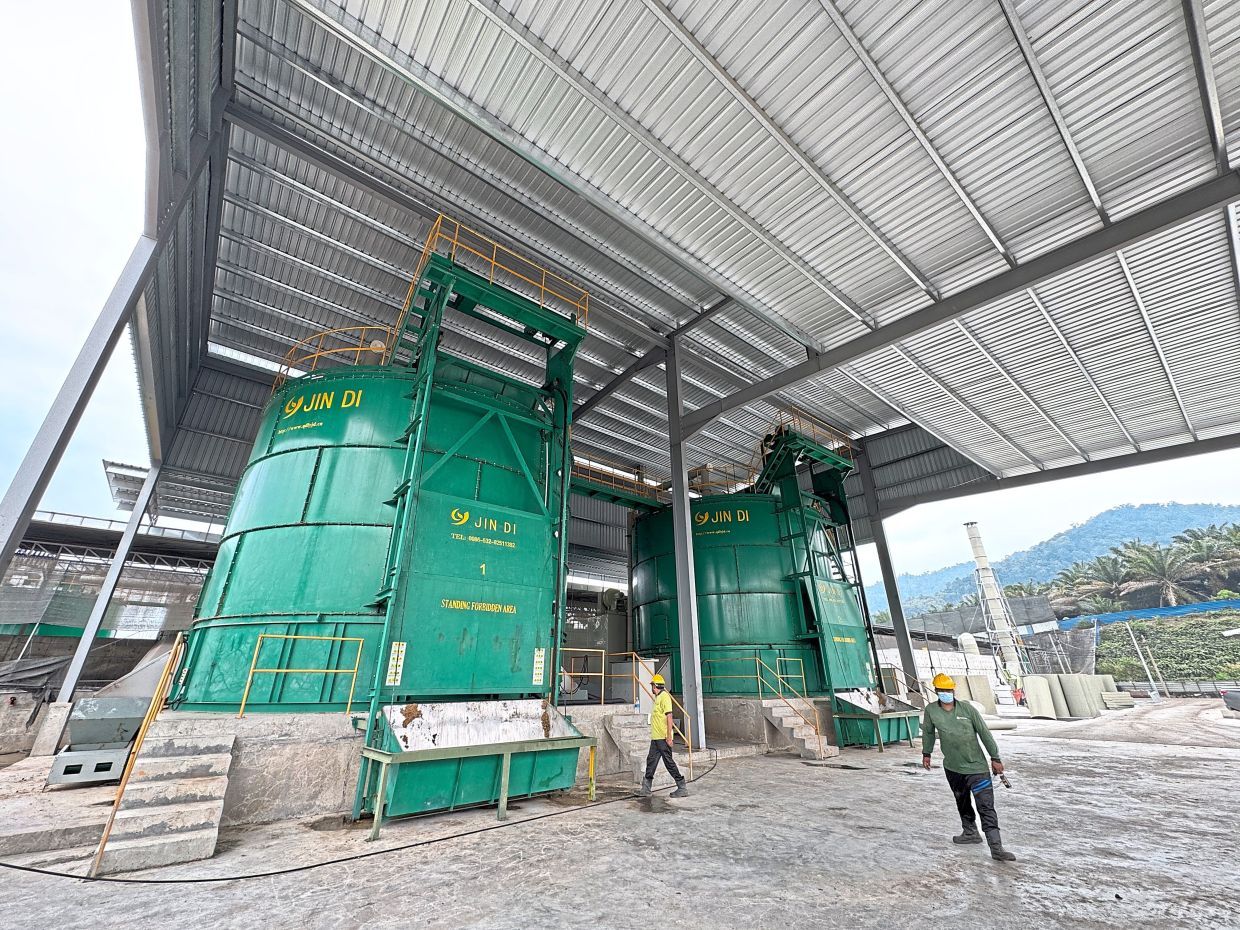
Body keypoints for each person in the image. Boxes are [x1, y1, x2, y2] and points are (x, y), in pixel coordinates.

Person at [921, 673, 1016, 862]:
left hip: (977, 769)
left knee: (986, 807)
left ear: (953, 690)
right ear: (936, 691)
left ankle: (996, 848)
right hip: (953, 768)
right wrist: (926, 753)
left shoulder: (967, 709)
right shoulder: (931, 710)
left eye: (948, 690)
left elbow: (984, 732)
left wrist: (995, 758)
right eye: (942, 691)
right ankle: (970, 832)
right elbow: (929, 733)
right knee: (962, 802)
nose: (945, 693)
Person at [637, 674, 689, 798]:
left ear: (655, 686)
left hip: (663, 738)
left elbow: (669, 717)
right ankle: (646, 788)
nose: (651, 687)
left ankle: (682, 787)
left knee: (668, 762)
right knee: (651, 762)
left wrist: (669, 737)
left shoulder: (665, 697)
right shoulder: (658, 698)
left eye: (652, 685)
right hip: (656, 738)